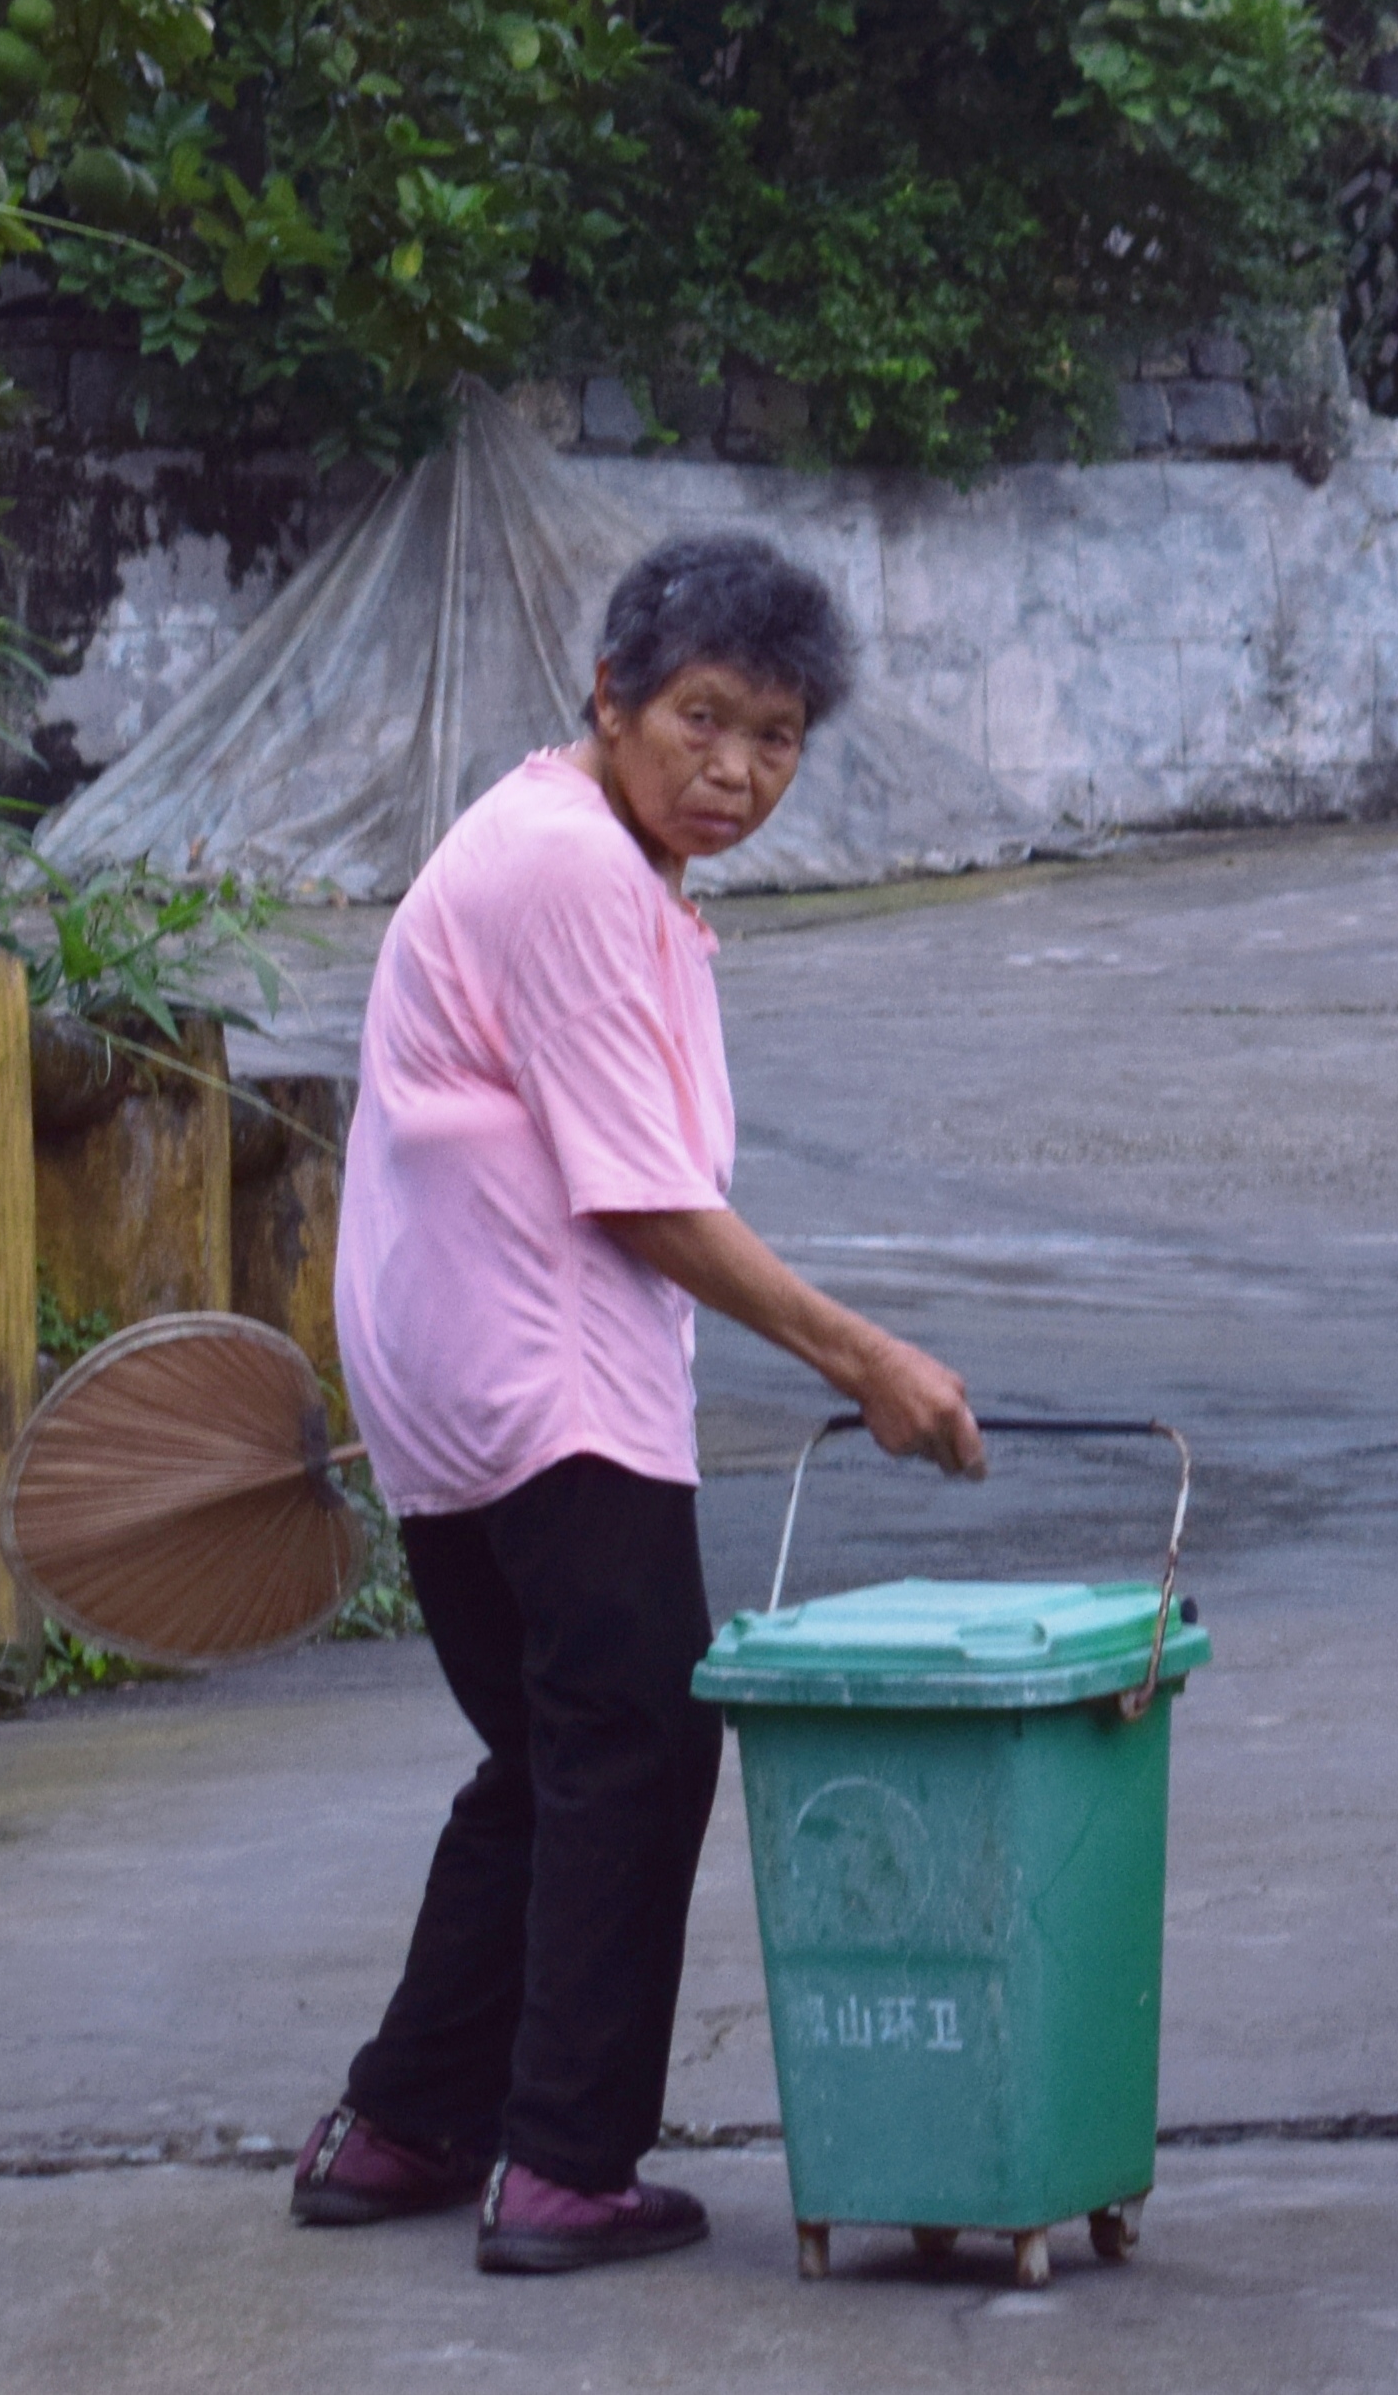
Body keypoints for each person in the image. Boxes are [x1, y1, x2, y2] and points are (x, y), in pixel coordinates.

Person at [294, 534, 988, 2272]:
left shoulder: (575, 841)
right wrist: (867, 1359)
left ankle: (399, 2128)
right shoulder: (571, 874)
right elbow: (641, 1198)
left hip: (453, 1382)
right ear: (608, 698)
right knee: (640, 1742)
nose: (737, 770)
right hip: (547, 1382)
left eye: (776, 738)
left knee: (549, 1753)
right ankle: (562, 2170)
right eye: (701, 718)